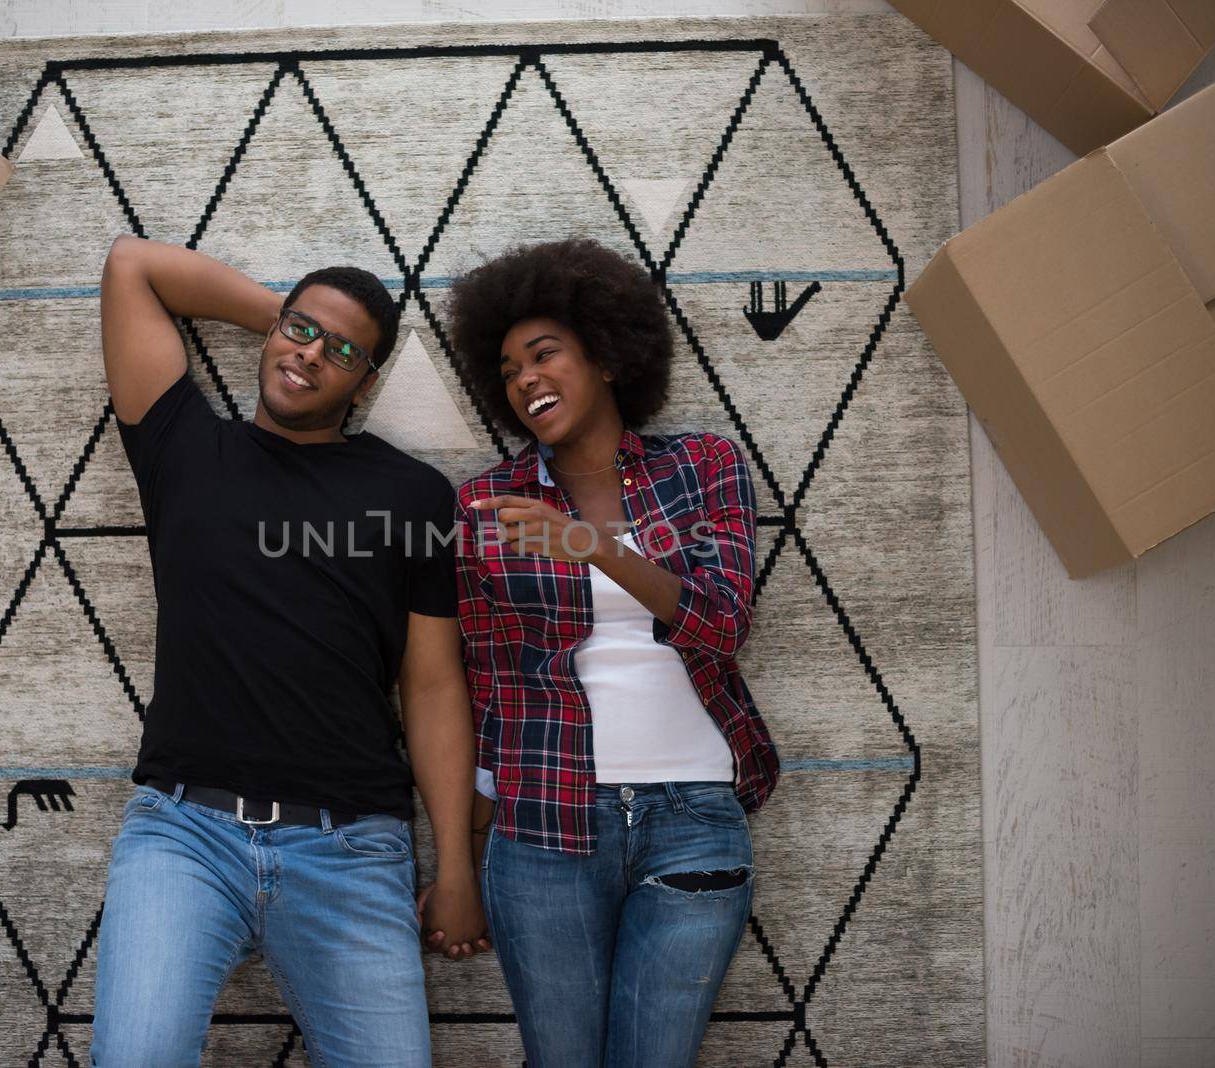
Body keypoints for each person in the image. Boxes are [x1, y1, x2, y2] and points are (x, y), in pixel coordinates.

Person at [89, 235, 488, 1068]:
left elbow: (433, 686)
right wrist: (298, 323)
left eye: (343, 352)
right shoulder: (187, 449)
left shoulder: (413, 495)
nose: (309, 355)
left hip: (351, 849)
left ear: (367, 382)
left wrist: (456, 866)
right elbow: (133, 265)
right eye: (299, 331)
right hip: (184, 835)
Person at [445, 236, 781, 1067]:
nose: (526, 378)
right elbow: (485, 681)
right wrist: (464, 854)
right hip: (544, 825)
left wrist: (592, 543)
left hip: (693, 820)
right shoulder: (487, 501)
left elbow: (722, 624)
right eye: (509, 367)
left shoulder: (704, 466)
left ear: (602, 354)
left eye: (545, 353)